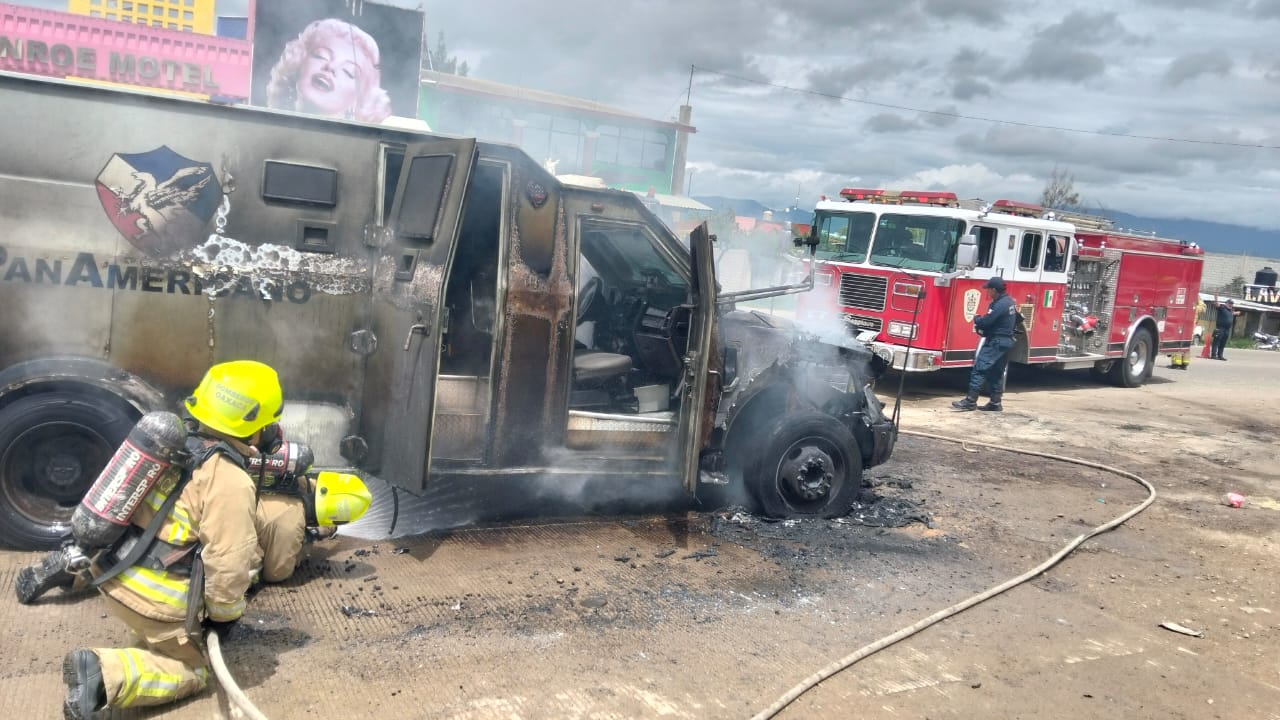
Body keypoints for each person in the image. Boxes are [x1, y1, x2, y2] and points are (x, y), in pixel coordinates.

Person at [61, 361, 284, 719]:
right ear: (255, 430)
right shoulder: (229, 479)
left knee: (160, 638)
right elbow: (228, 562)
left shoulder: (173, 447)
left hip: (114, 576)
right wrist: (224, 617)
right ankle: (103, 673)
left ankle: (145, 643)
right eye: (270, 421)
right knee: (192, 672)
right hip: (155, 604)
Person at [265, 18, 392, 124]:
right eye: (321, 56)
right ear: (298, 63)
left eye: (348, 71)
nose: (330, 67)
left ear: (359, 100)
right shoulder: (268, 126)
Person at [953, 277, 1018, 412]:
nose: (987, 292)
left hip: (996, 342)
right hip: (1005, 342)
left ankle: (970, 401)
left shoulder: (1000, 304)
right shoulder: (1009, 302)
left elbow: (987, 322)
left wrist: (977, 319)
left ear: (994, 290)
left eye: (988, 289)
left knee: (979, 368)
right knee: (996, 372)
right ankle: (995, 402)